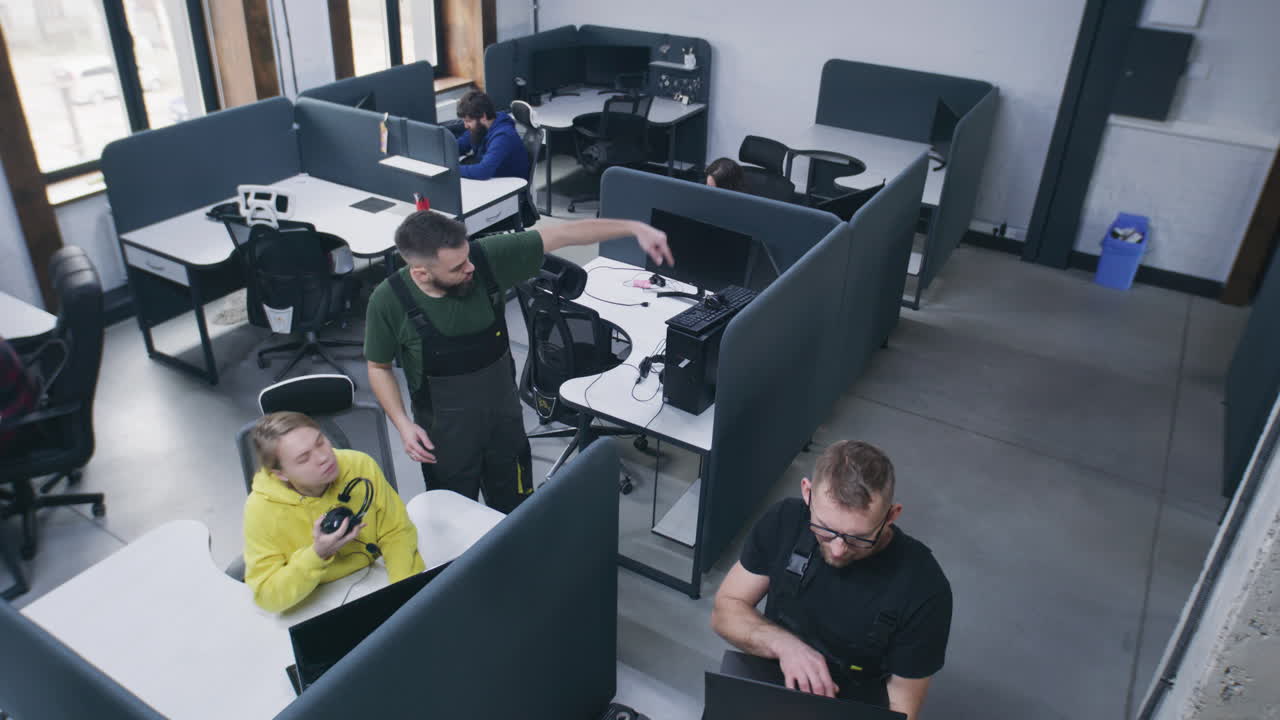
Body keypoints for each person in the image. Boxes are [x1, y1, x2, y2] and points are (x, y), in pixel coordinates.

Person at [364, 213, 672, 512]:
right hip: (446, 441)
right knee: (455, 518)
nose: (471, 267)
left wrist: (633, 227)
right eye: (458, 267)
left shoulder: (484, 260)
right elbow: (378, 367)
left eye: (468, 256)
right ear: (421, 273)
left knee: (514, 511)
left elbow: (565, 234)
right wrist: (403, 424)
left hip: (505, 425)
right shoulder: (389, 300)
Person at [711, 440, 952, 719]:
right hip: (776, 681)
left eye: (858, 538)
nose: (838, 549)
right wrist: (784, 644)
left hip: (854, 706)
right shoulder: (784, 522)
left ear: (891, 516)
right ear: (807, 493)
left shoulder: (924, 589)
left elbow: (902, 707)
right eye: (825, 531)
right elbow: (726, 609)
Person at [242, 411, 425, 613]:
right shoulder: (260, 510)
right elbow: (267, 596)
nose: (324, 457)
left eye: (320, 442)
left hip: (377, 580)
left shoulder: (359, 465)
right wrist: (317, 554)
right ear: (280, 474)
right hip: (317, 601)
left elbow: (396, 532)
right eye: (304, 458)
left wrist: (403, 594)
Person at [454, 89, 530, 181]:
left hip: (510, 185)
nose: (466, 126)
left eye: (468, 121)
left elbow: (483, 171)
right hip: (493, 177)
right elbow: (459, 146)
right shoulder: (481, 127)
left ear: (483, 117)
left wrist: (452, 170)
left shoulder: (504, 136)